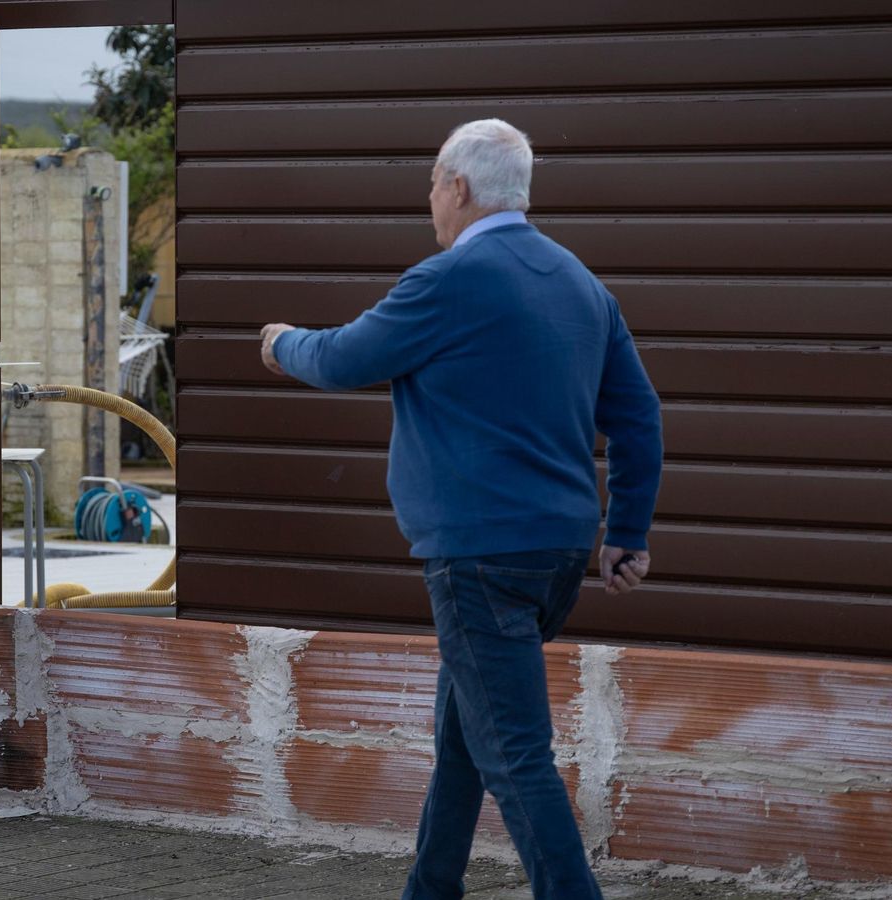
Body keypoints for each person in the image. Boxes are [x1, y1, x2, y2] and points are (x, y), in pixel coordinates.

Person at [260, 119, 662, 899]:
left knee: (514, 753)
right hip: (557, 556)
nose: (431, 205)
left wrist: (281, 343)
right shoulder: (579, 282)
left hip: (479, 556)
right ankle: (431, 886)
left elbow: (343, 357)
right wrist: (630, 531)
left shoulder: (449, 279)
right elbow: (639, 416)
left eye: (432, 188)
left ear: (459, 187)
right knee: (465, 737)